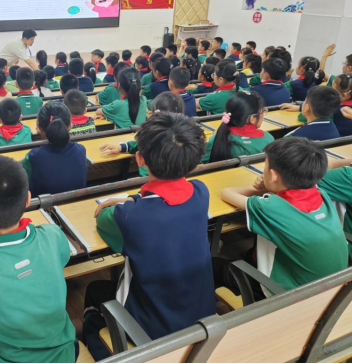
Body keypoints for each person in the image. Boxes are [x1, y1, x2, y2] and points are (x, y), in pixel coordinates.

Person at [86, 113, 216, 361]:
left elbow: (103, 218)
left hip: (150, 330)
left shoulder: (129, 218)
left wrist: (127, 201)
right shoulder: (201, 192)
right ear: (193, 162)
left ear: (140, 159)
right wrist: (133, 198)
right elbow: (163, 201)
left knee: (94, 291)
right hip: (200, 320)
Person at [0, 156, 78, 363]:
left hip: (4, 358)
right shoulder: (52, 234)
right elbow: (62, 258)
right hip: (64, 354)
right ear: (27, 199)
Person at [218, 138, 348, 299]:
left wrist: (260, 189)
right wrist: (272, 186)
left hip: (288, 297)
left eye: (265, 167)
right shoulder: (322, 194)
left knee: (215, 266)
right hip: (333, 291)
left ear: (273, 175)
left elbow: (227, 193)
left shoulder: (271, 207)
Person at [21, 103, 87, 197]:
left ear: (39, 128)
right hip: (79, 203)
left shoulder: (33, 157)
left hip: (45, 206)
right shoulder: (81, 150)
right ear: (70, 126)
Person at [203, 91, 274, 163]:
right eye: (262, 112)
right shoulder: (268, 139)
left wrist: (216, 135)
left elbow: (204, 163)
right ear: (252, 119)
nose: (263, 115)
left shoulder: (216, 139)